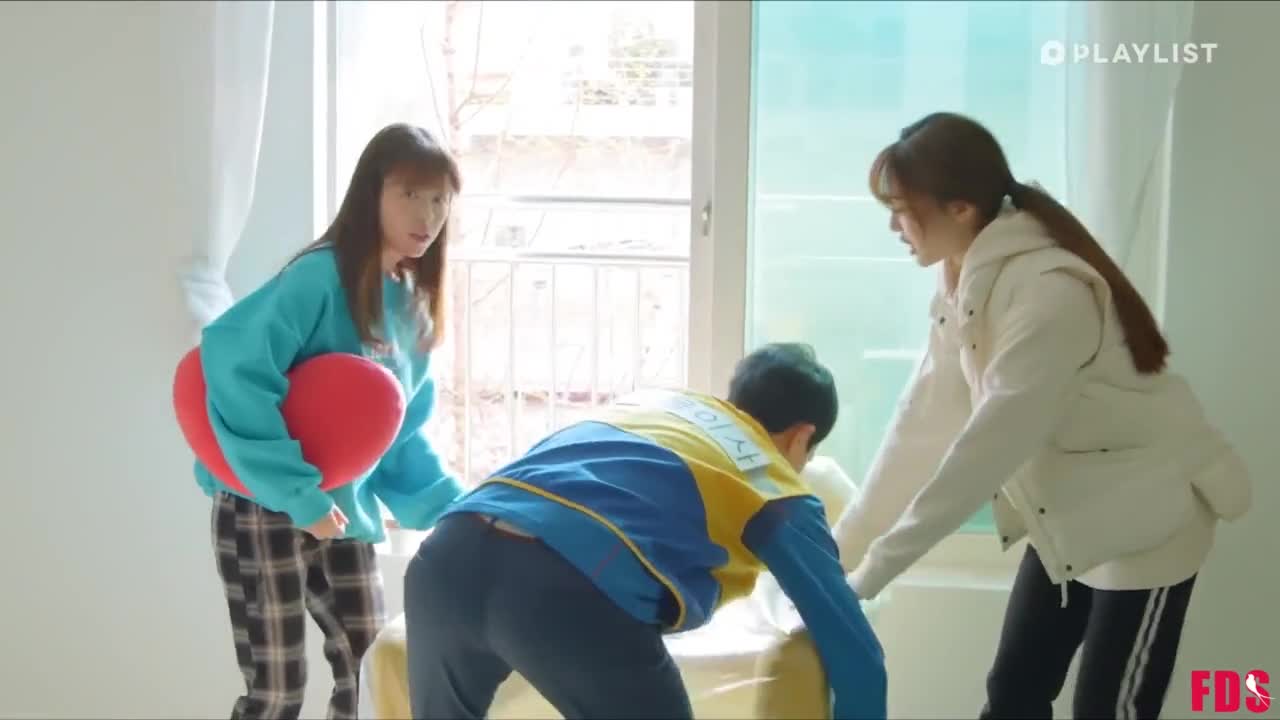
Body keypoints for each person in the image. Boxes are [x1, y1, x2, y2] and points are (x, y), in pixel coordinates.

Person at [830, 112, 1252, 719]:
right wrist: (843, 555)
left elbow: (985, 450)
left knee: (1108, 709)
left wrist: (872, 574)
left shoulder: (1049, 293)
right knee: (1013, 698)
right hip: (1068, 518)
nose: (895, 226)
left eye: (902, 210)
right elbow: (920, 427)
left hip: (1148, 519)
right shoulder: (962, 281)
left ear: (960, 209)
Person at [403, 343, 888, 720]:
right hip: (560, 589)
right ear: (803, 436)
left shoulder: (654, 404)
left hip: (446, 557)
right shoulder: (773, 483)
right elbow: (853, 649)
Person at [195, 123, 465, 719]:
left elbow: (398, 434)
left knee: (371, 675)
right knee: (277, 690)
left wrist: (456, 510)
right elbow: (236, 366)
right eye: (409, 194)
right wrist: (297, 494)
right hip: (262, 504)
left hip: (344, 507)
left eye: (439, 199)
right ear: (371, 193)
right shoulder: (318, 277)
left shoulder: (412, 309)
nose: (427, 214)